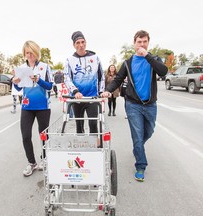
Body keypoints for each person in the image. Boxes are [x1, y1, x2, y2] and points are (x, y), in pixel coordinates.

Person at [101, 30, 168, 182]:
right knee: (137, 135)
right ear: (134, 43)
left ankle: (138, 147)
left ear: (148, 43)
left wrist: (147, 56)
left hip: (150, 104)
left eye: (144, 42)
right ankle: (140, 165)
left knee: (149, 131)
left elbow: (163, 71)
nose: (142, 44)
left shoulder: (154, 59)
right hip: (132, 105)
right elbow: (118, 79)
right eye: (139, 42)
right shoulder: (128, 62)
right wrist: (108, 91)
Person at [12, 41, 53, 177]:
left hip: (43, 106)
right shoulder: (22, 68)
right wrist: (16, 82)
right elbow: (19, 87)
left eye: (31, 52)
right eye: (27, 53)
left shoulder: (45, 67)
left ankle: (44, 159)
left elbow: (49, 86)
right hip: (27, 106)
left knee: (43, 136)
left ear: (36, 53)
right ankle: (32, 163)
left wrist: (38, 80)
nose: (29, 55)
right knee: (25, 136)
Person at [64, 31, 105, 134]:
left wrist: (101, 92)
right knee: (79, 125)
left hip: (92, 97)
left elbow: (101, 76)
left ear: (86, 43)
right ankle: (81, 146)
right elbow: (67, 78)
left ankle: (95, 147)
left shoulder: (95, 58)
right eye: (78, 43)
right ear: (74, 45)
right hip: (77, 98)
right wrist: (75, 91)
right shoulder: (69, 60)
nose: (81, 45)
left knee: (93, 124)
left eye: (83, 42)